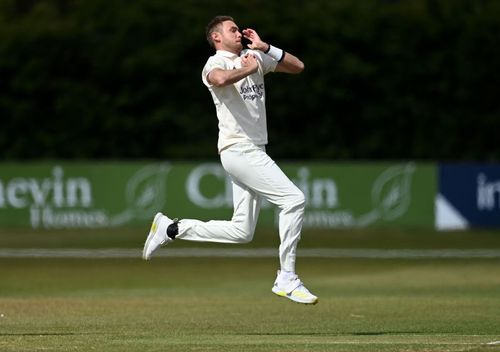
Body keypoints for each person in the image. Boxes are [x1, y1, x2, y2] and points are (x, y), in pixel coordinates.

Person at [143, 15, 318, 305]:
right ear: (216, 37)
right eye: (232, 30)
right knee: (293, 200)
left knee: (241, 232)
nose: (239, 33)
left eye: (239, 29)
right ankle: (286, 277)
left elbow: (298, 67)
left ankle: (172, 228)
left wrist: (265, 48)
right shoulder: (215, 63)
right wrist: (248, 66)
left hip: (255, 149)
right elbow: (221, 80)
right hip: (238, 149)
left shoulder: (255, 55)